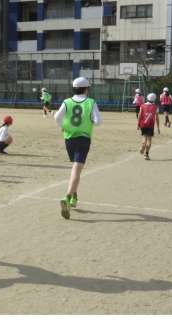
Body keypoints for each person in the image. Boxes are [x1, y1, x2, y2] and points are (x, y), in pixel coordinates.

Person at [54, 76, 101, 219]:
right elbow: (98, 121)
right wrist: (91, 120)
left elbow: (57, 117)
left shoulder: (67, 101)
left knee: (76, 168)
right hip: (83, 138)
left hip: (69, 139)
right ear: (86, 89)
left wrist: (63, 126)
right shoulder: (91, 102)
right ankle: (68, 196)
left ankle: (74, 197)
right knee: (76, 169)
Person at [138, 93, 160, 160]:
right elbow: (157, 118)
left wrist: (138, 124)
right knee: (149, 140)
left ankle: (142, 146)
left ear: (147, 98)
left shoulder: (142, 105)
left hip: (143, 124)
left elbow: (139, 115)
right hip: (150, 125)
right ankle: (146, 154)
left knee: (144, 137)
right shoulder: (155, 107)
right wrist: (158, 127)